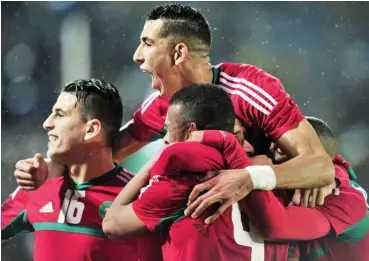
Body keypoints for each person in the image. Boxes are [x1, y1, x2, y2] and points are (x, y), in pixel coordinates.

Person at [14, 3, 334, 224]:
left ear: (178, 52)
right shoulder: (161, 106)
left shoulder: (250, 87)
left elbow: (320, 166)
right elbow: (105, 154)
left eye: (147, 44)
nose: (137, 56)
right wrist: (54, 170)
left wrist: (248, 177)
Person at [104, 84, 297, 261]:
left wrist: (154, 160)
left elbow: (112, 224)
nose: (166, 140)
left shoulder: (180, 170)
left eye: (169, 130)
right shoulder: (270, 167)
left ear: (191, 131)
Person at [1, 79, 162, 261]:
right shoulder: (38, 186)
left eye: (60, 115)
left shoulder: (138, 196)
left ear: (91, 129)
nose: (47, 123)